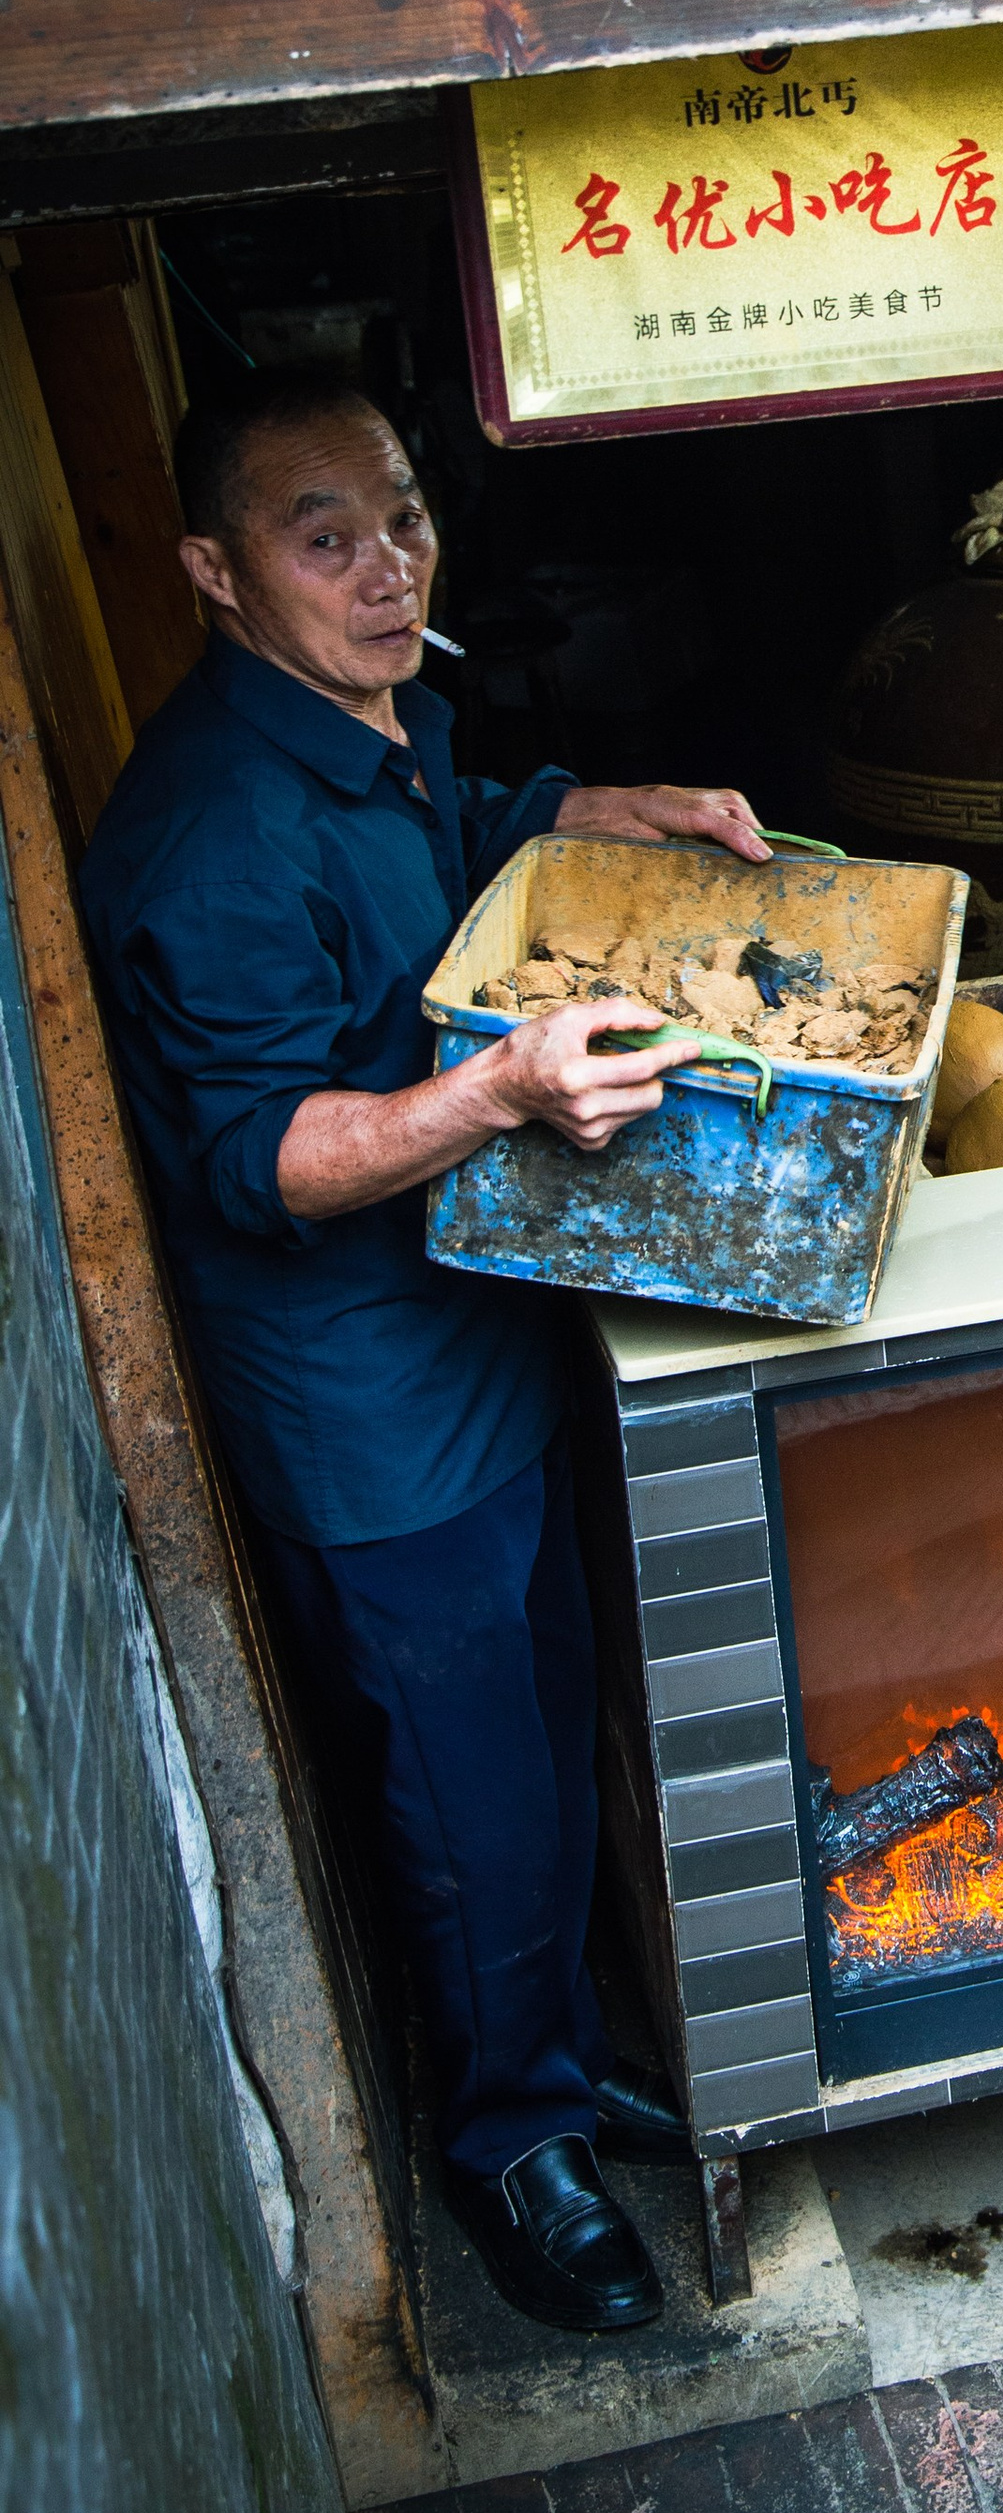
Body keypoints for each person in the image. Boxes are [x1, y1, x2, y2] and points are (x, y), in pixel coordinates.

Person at [81, 362, 767, 2335]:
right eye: (325, 540)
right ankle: (509, 2154)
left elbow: (458, 836)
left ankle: (551, 2068)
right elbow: (265, 1155)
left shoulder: (371, 728)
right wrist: (497, 1099)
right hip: (368, 1409)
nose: (387, 570)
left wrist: (592, 811)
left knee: (545, 1749)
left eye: (400, 519)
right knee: (468, 1803)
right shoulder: (213, 833)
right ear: (216, 572)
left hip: (477, 1334)